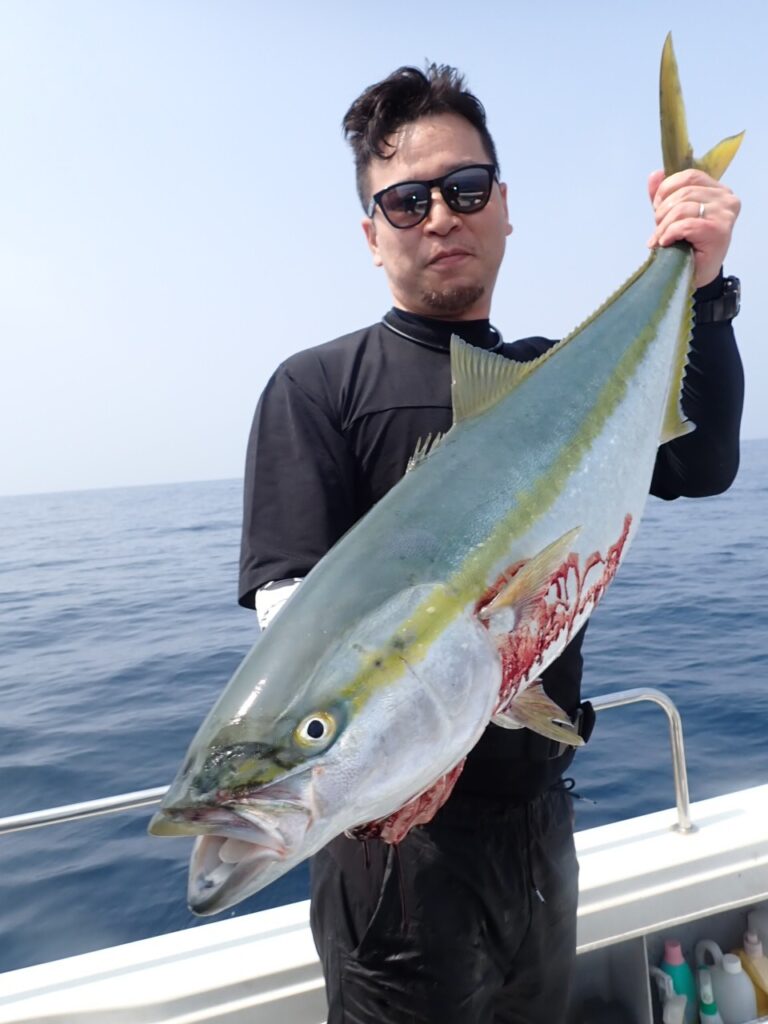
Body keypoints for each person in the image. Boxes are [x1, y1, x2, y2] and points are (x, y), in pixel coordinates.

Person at [238, 65, 743, 1024]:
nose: (441, 216)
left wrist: (702, 281)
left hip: (542, 825)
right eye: (407, 199)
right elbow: (292, 621)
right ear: (372, 233)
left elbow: (705, 462)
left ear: (505, 208)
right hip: (397, 857)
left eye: (466, 189)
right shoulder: (317, 390)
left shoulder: (557, 377)